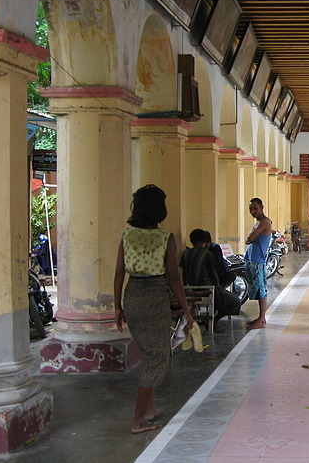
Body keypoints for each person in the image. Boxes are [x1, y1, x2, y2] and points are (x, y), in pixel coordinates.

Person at [113, 184, 194, 434]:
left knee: (151, 352)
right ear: (160, 209)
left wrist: (117, 307)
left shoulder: (127, 235)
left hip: (132, 297)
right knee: (156, 357)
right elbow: (173, 279)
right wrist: (187, 311)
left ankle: (149, 408)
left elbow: (118, 274)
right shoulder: (165, 238)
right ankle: (138, 420)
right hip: (154, 299)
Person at [180, 229, 241, 331]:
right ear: (204, 241)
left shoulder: (186, 254)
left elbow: (184, 274)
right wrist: (218, 286)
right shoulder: (208, 254)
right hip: (207, 290)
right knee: (235, 302)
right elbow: (214, 274)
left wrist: (187, 289)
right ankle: (213, 321)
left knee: (222, 298)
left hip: (191, 290)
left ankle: (209, 319)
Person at [245, 198, 272, 329]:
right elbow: (248, 239)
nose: (253, 211)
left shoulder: (265, 222)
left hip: (258, 260)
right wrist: (251, 237)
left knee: (261, 289)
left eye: (255, 208)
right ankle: (260, 317)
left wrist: (252, 237)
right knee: (257, 288)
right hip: (252, 259)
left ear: (262, 207)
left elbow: (250, 238)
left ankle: (262, 319)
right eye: (250, 209)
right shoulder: (258, 223)